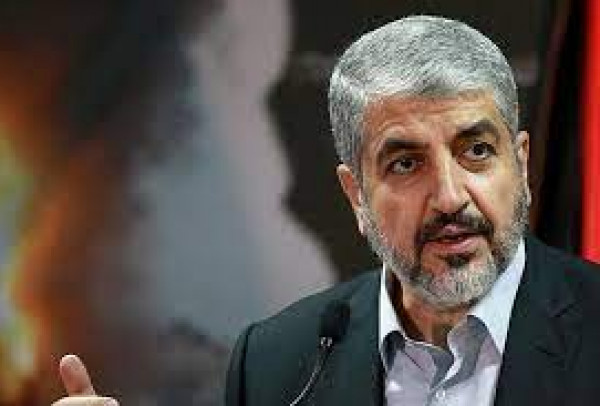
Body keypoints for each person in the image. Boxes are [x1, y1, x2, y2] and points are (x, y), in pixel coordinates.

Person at [53, 15, 600, 406]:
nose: (450, 196)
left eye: (476, 150)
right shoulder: (276, 363)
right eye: (406, 163)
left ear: (521, 163)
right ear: (356, 195)